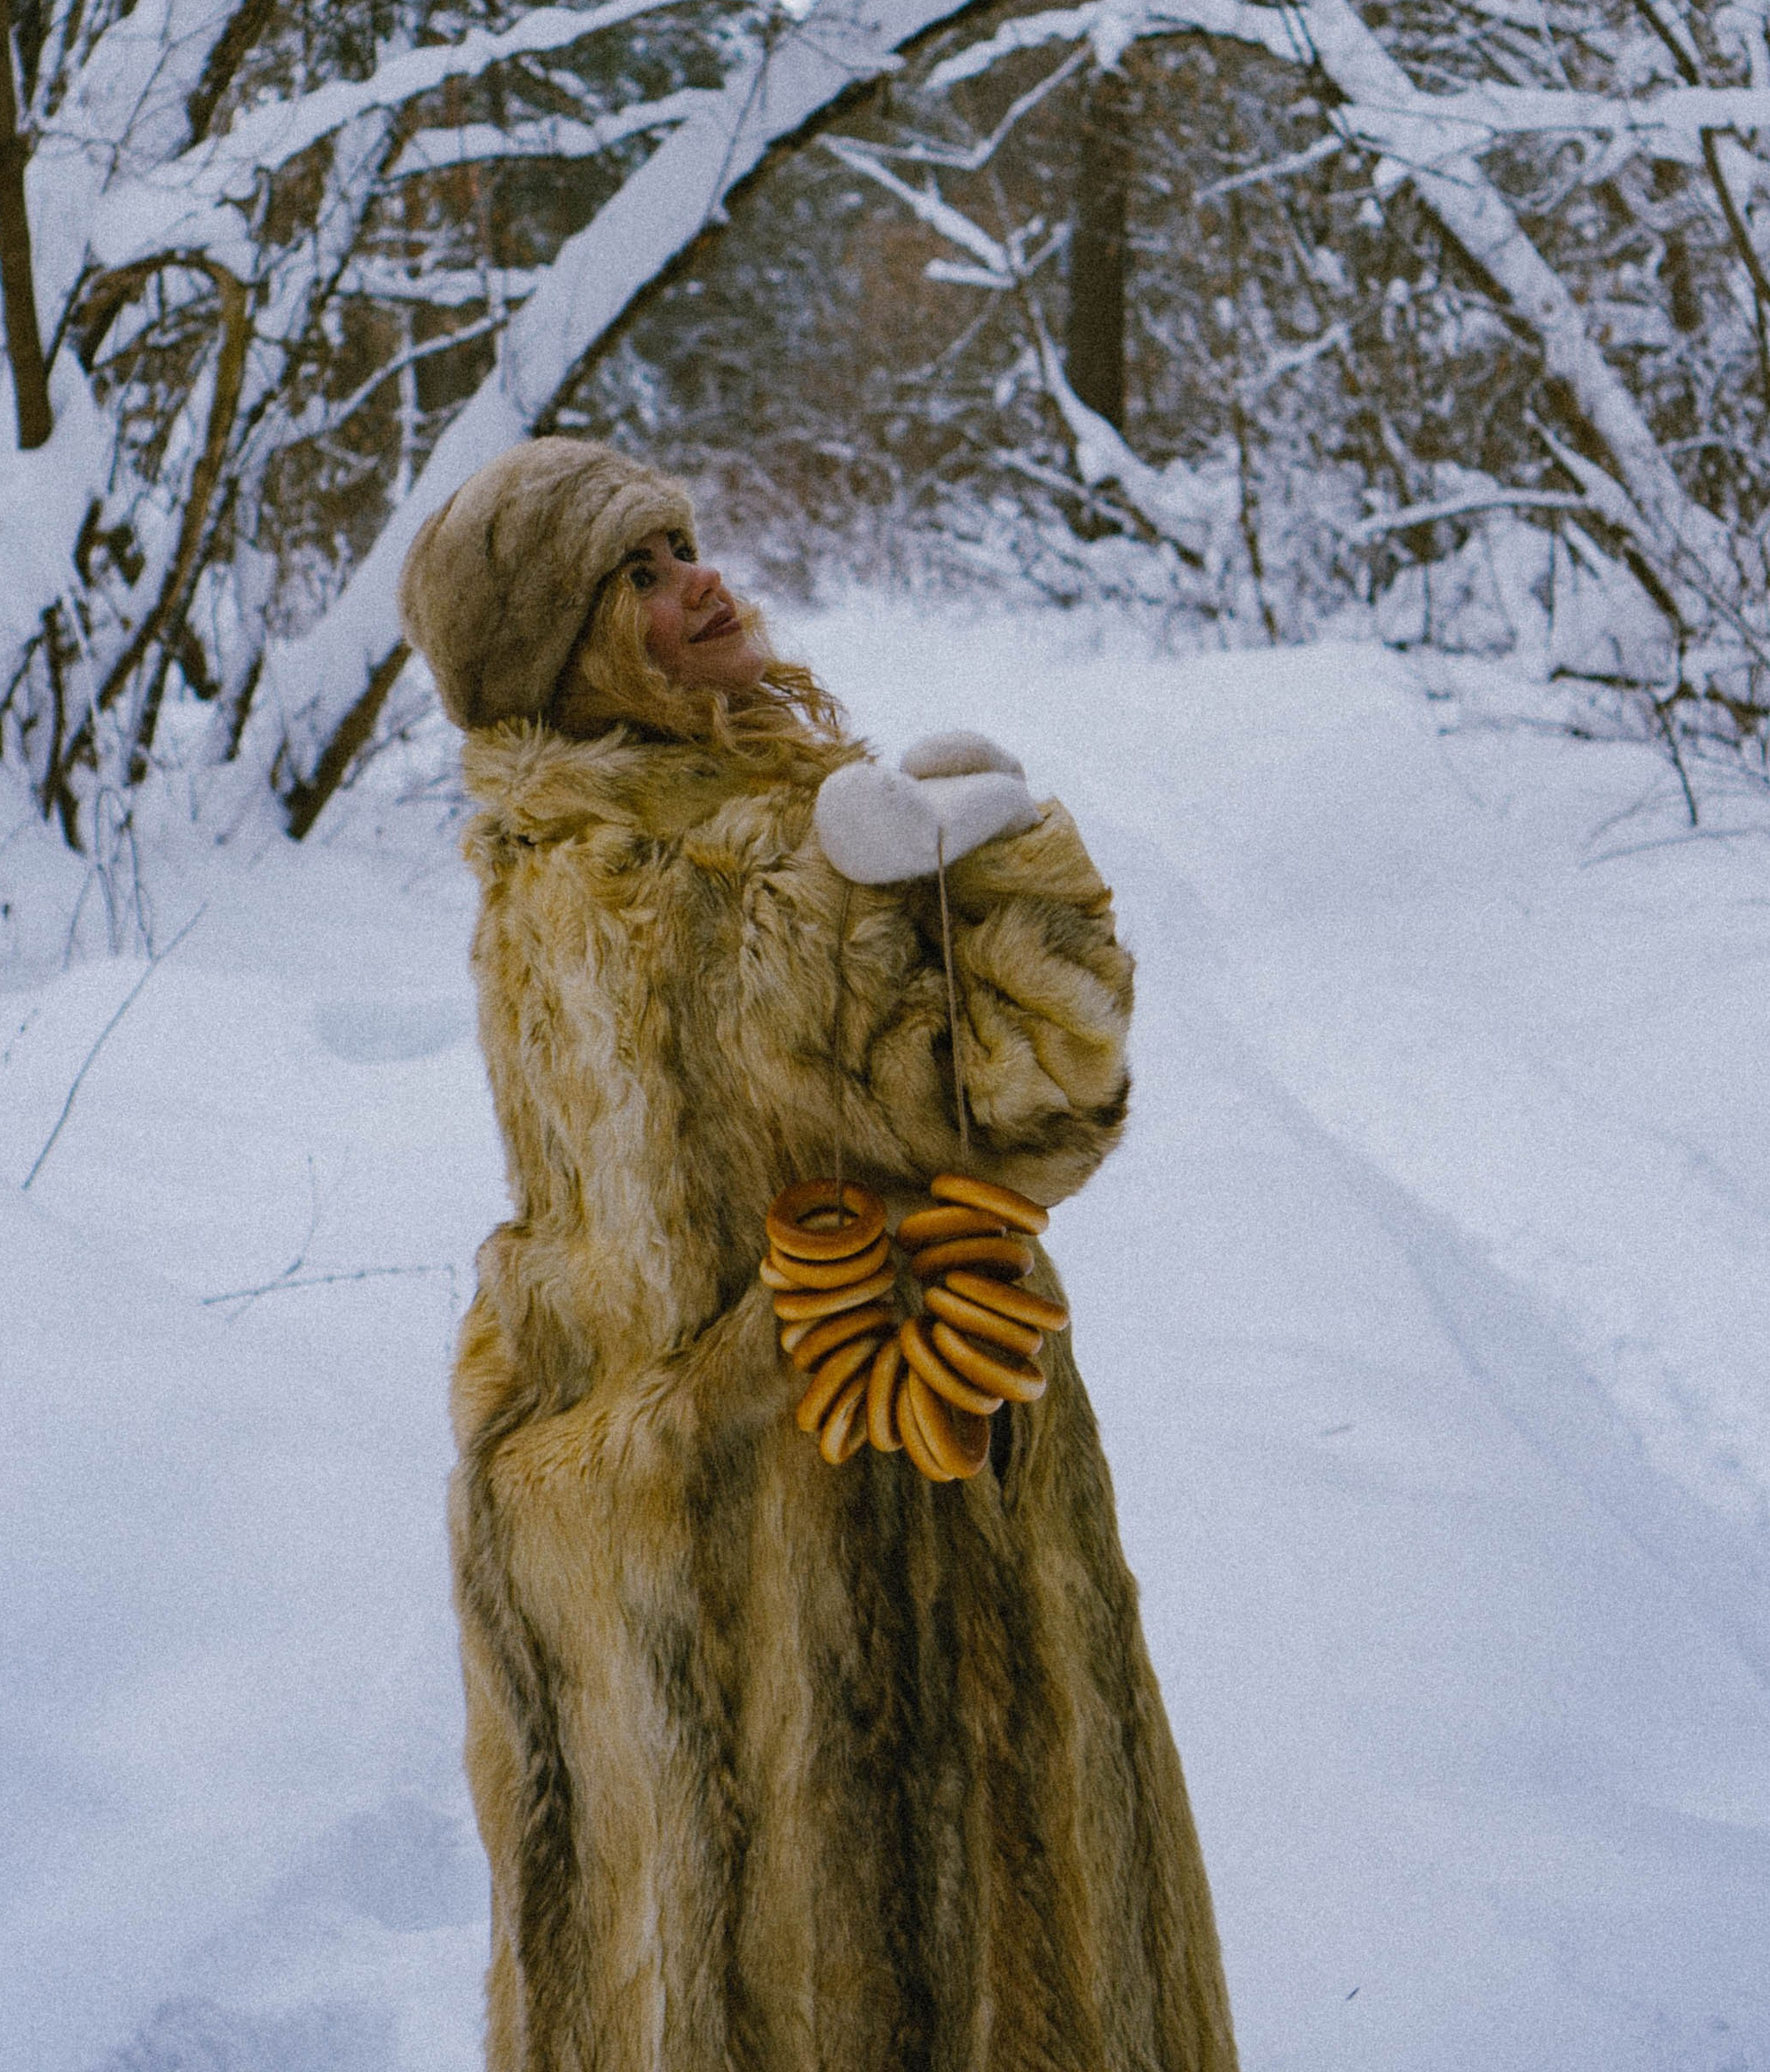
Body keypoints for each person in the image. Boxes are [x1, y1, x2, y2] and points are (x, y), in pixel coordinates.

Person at [398, 432, 1238, 2072]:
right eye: (631, 578)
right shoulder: (666, 888)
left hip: (816, 1507)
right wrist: (989, 879)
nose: (696, 583)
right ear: (559, 650)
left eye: (681, 546)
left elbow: (1015, 1119)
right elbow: (1022, 1117)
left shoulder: (677, 835)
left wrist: (972, 869)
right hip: (811, 1551)